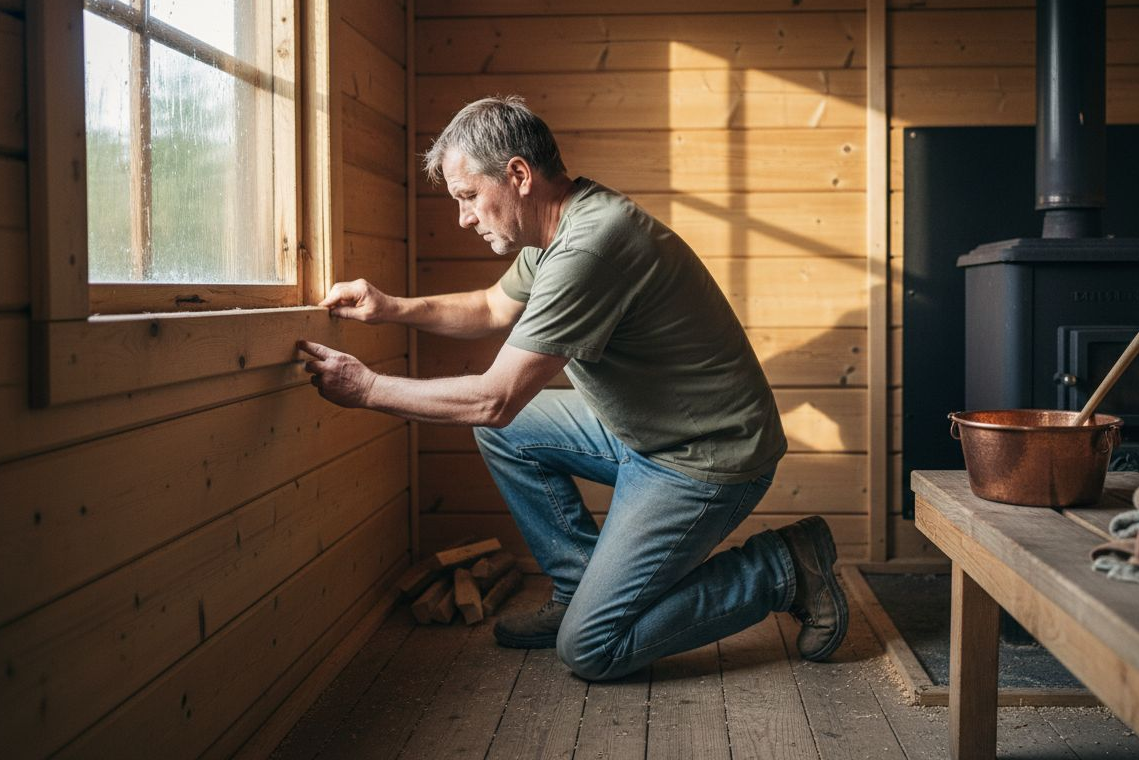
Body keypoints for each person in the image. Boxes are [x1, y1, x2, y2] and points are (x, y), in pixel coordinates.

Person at [297, 96, 847, 680]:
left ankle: (783, 567)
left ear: (517, 175)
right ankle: (578, 589)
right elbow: (489, 307)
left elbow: (493, 398)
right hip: (644, 432)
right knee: (509, 438)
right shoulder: (557, 228)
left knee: (591, 650)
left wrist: (366, 388)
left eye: (467, 197)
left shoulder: (589, 246)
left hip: (704, 458)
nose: (463, 218)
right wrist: (391, 308)